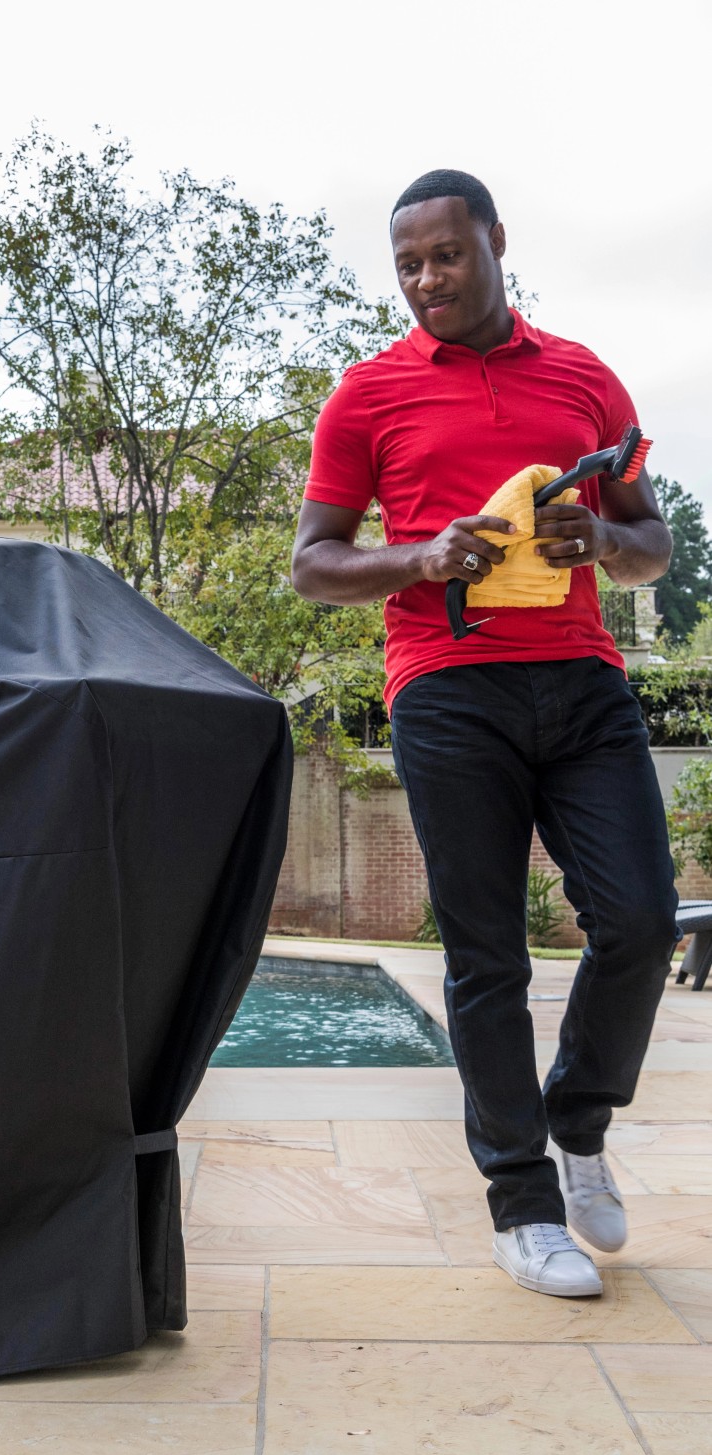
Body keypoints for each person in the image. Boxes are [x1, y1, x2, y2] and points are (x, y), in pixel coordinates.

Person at [290, 169, 678, 1298]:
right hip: (447, 689)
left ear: (495, 243)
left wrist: (598, 541)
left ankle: (579, 1118)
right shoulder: (368, 396)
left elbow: (653, 541)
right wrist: (419, 556)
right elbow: (313, 565)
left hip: (583, 681)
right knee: (487, 955)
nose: (426, 281)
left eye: (445, 256)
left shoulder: (583, 377)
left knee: (642, 921)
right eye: (407, 265)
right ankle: (522, 1205)